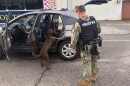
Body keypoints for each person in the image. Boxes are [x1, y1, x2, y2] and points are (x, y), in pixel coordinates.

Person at [70, 5, 101, 86]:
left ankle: (87, 82)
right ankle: (94, 76)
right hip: (95, 45)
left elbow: (74, 37)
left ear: (79, 12)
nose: (76, 14)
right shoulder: (94, 19)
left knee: (87, 63)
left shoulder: (78, 23)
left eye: (76, 12)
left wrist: (72, 47)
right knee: (94, 60)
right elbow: (99, 30)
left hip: (86, 47)